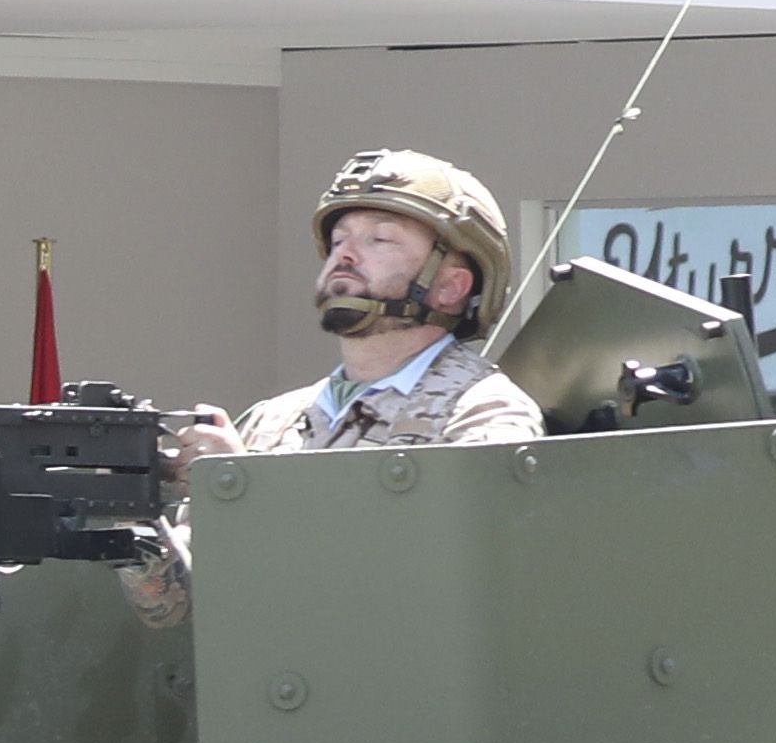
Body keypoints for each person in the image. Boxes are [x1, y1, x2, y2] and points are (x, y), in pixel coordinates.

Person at [131, 150, 550, 626]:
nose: (345, 254)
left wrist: (241, 487)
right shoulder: (274, 420)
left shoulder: (484, 412)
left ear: (451, 287)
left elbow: (439, 584)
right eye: (338, 240)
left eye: (379, 238)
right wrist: (129, 519)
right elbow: (174, 610)